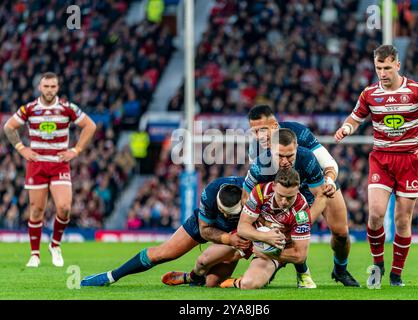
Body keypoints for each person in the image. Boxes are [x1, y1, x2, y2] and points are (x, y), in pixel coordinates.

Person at [334, 44, 418, 288]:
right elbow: (355, 118)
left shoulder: (417, 90)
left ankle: (396, 274)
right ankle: (378, 265)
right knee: (375, 214)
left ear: (397, 65)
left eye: (387, 67)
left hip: (410, 159)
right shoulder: (369, 94)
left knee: (403, 220)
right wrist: (346, 128)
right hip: (381, 159)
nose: (382, 73)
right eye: (378, 68)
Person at [246, 105, 360, 287]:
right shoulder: (255, 149)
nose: (259, 136)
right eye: (254, 131)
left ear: (275, 126)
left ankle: (340, 269)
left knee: (341, 233)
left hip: (318, 183)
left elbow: (329, 164)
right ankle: (285, 266)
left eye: (262, 130)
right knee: (282, 231)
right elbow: (261, 183)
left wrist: (329, 181)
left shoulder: (298, 132)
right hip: (287, 189)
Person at [80, 176, 251, 287]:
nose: (226, 215)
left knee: (211, 284)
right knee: (163, 253)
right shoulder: (210, 192)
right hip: (207, 224)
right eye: (223, 211)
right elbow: (205, 230)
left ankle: (190, 277)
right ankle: (111, 276)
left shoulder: (252, 194)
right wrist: (229, 239)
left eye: (230, 213)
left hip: (239, 230)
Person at [3, 72, 96, 268]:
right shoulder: (29, 109)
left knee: (64, 207)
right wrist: (21, 148)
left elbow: (90, 126)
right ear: (40, 87)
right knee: (36, 210)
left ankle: (55, 245)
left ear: (58, 87)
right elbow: (9, 127)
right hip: (36, 165)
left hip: (59, 164)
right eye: (46, 86)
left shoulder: (66, 108)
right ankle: (35, 254)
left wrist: (76, 150)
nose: (49, 90)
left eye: (53, 86)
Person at [220, 167, 328, 289]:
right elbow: (242, 227)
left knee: (248, 284)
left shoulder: (301, 211)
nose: (284, 201)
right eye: (281, 195)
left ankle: (236, 282)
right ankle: (195, 275)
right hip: (256, 237)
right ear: (274, 186)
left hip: (281, 249)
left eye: (289, 197)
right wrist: (264, 237)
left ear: (297, 190)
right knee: (205, 260)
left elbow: (300, 255)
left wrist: (266, 252)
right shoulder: (260, 191)